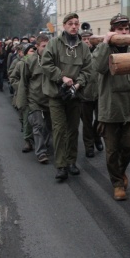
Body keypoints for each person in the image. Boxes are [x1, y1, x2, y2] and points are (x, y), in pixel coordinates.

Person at [93, 13, 130, 201]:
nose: (123, 32)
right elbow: (98, 67)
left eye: (125, 29)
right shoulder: (104, 48)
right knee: (112, 149)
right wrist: (105, 43)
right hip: (110, 106)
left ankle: (120, 170)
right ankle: (117, 183)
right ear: (112, 30)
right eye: (119, 29)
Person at [41, 13, 93, 181]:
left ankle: (71, 162)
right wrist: (61, 78)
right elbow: (46, 64)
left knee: (72, 130)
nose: (74, 26)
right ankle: (61, 165)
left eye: (76, 24)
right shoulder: (54, 44)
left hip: (75, 96)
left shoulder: (83, 48)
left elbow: (87, 70)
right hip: (56, 95)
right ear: (64, 25)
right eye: (70, 23)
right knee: (59, 129)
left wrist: (77, 84)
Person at [19, 34, 52, 164]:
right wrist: (22, 101)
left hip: (50, 98)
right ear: (37, 46)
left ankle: (43, 143)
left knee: (50, 125)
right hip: (34, 98)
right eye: (44, 46)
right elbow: (24, 82)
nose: (46, 48)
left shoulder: (53, 60)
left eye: (48, 46)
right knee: (38, 124)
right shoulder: (30, 61)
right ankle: (41, 152)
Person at [79, 30, 104, 157]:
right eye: (84, 39)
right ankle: (89, 146)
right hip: (85, 94)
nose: (87, 41)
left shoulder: (99, 51)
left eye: (88, 38)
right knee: (87, 123)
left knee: (100, 119)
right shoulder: (78, 54)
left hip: (100, 92)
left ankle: (97, 137)